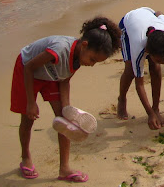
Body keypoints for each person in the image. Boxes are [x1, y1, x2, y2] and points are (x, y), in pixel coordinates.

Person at [11, 16, 121, 182]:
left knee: (64, 121)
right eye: (92, 59)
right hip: (28, 71)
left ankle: (64, 169)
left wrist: (66, 109)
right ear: (84, 45)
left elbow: (64, 80)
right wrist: (31, 103)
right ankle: (26, 157)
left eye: (96, 62)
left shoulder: (77, 59)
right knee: (28, 118)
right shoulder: (60, 49)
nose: (92, 64)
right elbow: (29, 67)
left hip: (51, 75)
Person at [117, 7, 164, 129]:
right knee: (130, 71)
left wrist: (154, 111)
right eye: (161, 59)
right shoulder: (139, 49)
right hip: (128, 26)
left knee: (156, 68)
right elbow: (140, 84)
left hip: (148, 16)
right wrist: (149, 114)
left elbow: (159, 12)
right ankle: (122, 98)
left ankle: (156, 108)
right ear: (148, 52)